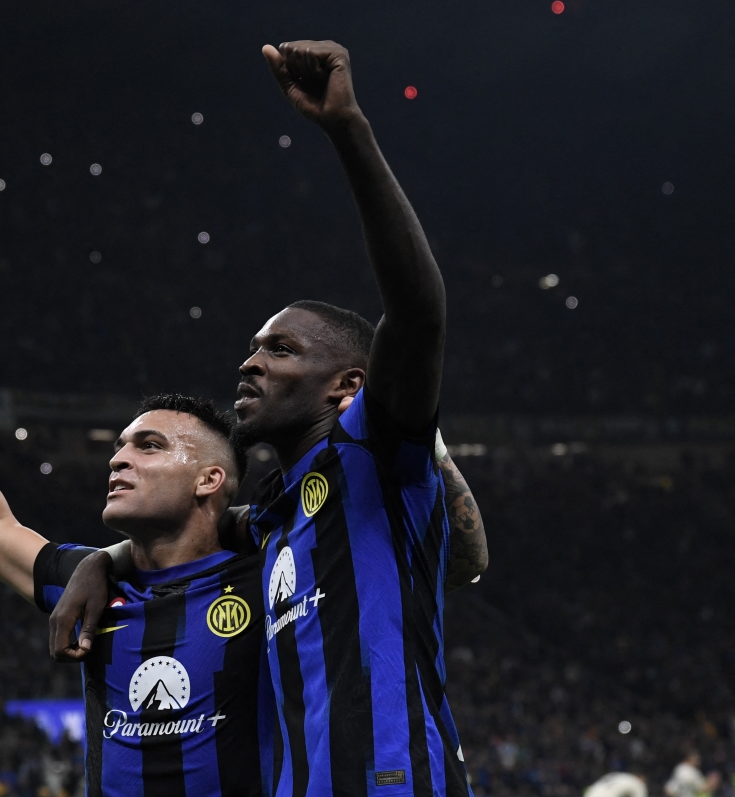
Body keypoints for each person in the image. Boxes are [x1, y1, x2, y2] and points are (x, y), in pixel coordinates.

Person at [49, 40, 487, 797]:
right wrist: (101, 560)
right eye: (253, 348)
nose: (251, 364)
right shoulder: (272, 517)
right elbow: (179, 534)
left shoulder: (373, 456)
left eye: (281, 351)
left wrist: (348, 131)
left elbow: (418, 313)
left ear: (345, 386)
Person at [0, 328, 273, 796]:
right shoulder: (92, 585)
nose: (118, 460)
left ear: (209, 480)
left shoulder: (269, 574)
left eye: (148, 446)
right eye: (120, 445)